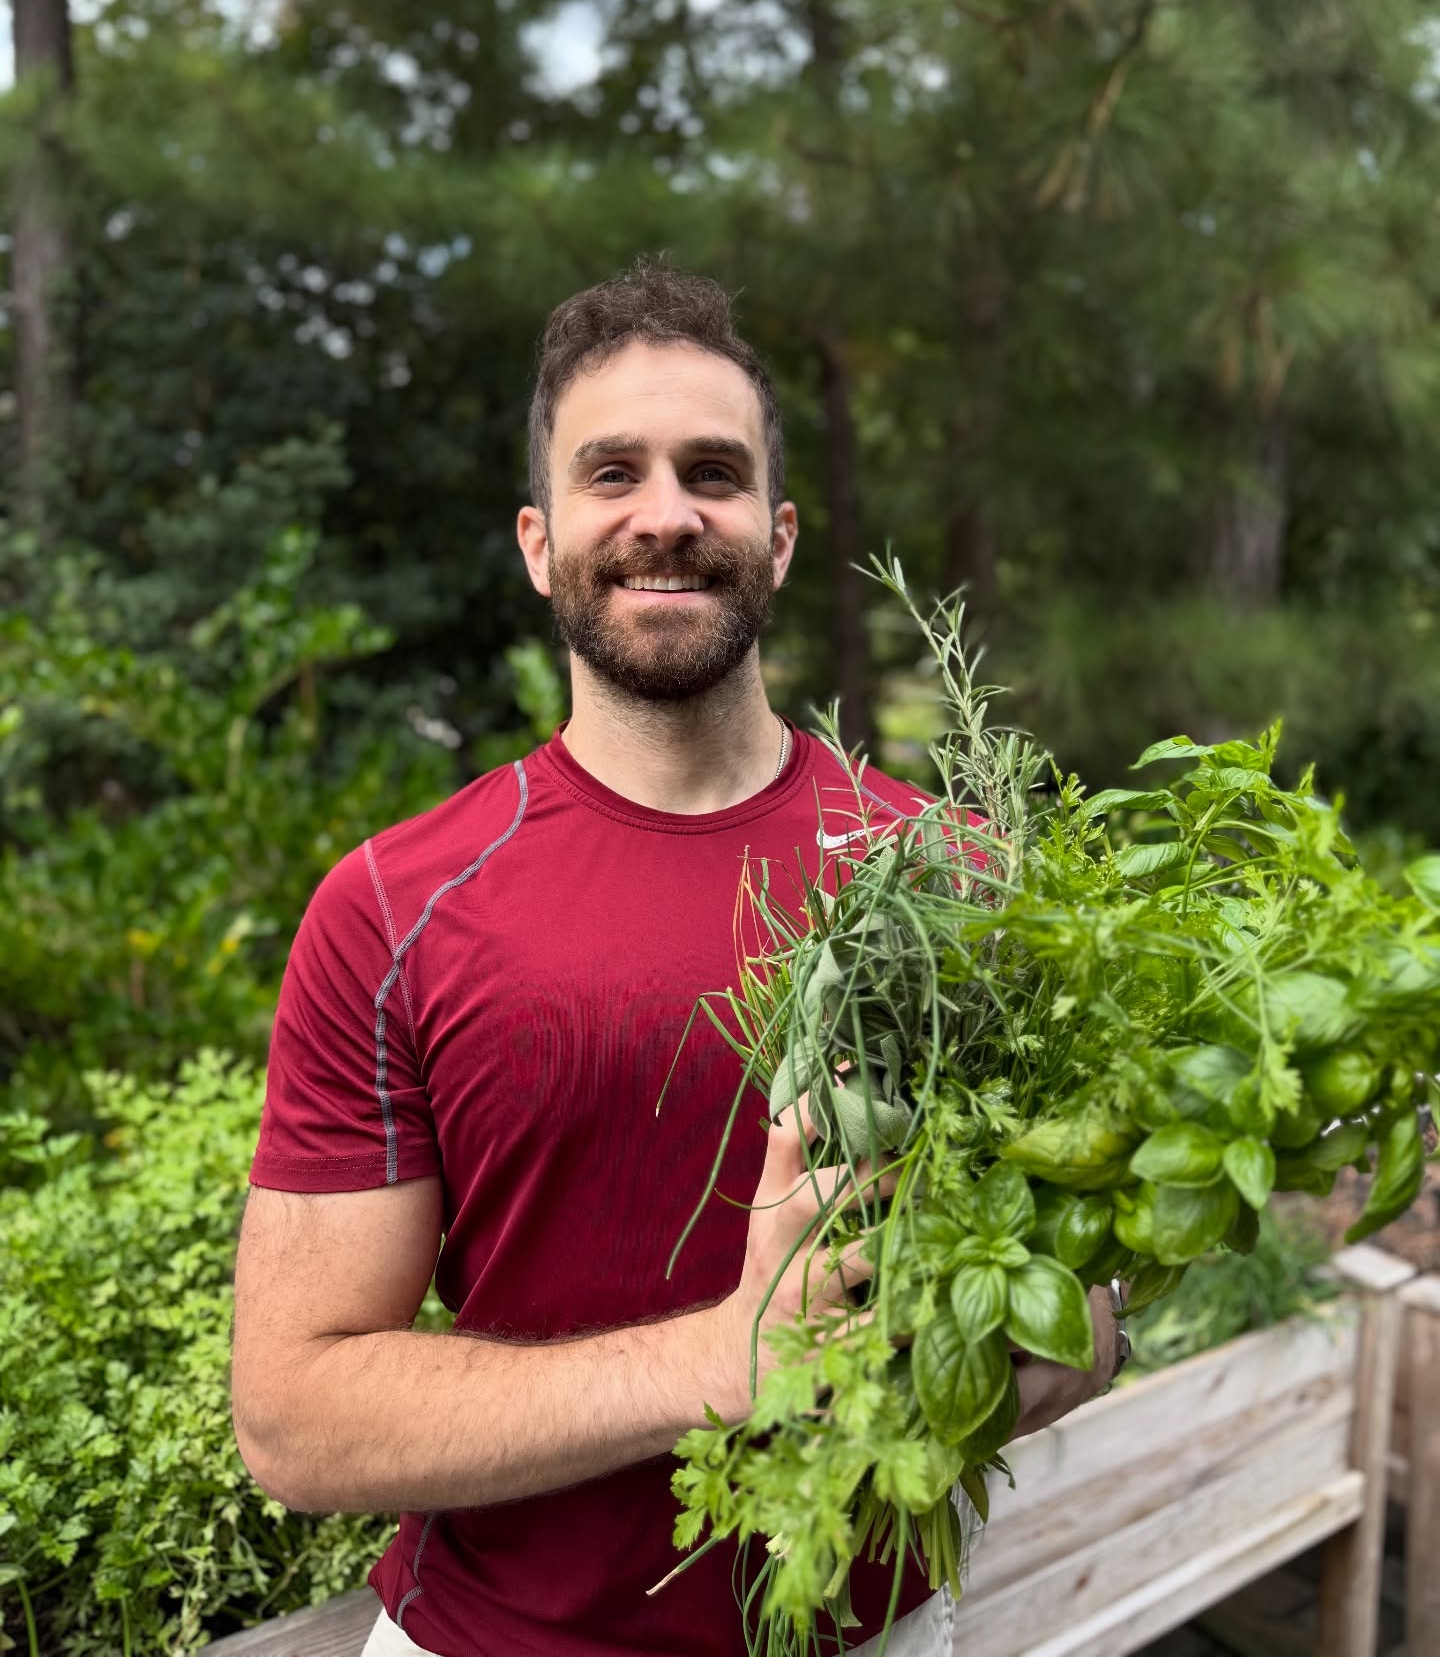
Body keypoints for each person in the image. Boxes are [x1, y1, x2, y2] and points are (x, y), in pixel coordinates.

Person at [232, 261, 1123, 1657]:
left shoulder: (957, 878)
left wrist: (1028, 1350)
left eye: (712, 472)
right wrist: (723, 1366)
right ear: (541, 542)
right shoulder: (396, 906)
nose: (665, 514)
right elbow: (292, 1415)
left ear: (776, 536)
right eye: (613, 473)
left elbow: (1083, 1331)